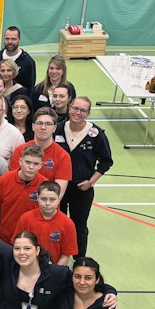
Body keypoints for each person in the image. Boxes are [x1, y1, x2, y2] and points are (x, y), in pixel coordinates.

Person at [54, 97, 113, 258]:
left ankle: (79, 259)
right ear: (69, 107)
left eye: (82, 110)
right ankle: (57, 255)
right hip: (59, 188)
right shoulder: (58, 129)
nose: (77, 113)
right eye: (75, 108)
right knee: (57, 223)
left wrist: (91, 182)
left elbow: (106, 161)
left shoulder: (96, 134)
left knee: (78, 226)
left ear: (88, 113)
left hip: (81, 190)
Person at [0, 144, 48, 244]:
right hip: (4, 240)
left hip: (31, 241)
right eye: (27, 162)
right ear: (20, 162)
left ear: (41, 165)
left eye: (36, 164)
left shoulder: (45, 185)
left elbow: (48, 217)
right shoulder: (4, 180)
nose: (31, 167)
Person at [9, 107, 72, 196]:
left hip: (46, 206)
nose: (43, 127)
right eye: (39, 123)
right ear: (33, 126)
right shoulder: (20, 151)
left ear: (54, 128)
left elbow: (57, 194)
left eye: (48, 124)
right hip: (21, 203)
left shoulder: (63, 156)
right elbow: (13, 183)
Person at [15, 181, 78, 265]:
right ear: (37, 198)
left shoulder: (68, 224)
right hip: (27, 268)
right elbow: (18, 248)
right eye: (43, 199)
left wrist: (54, 272)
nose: (47, 203)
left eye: (52, 199)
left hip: (54, 271)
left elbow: (66, 255)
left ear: (59, 200)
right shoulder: (25, 219)